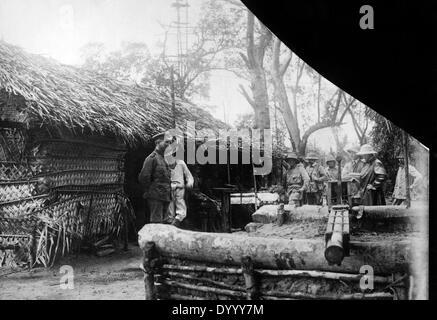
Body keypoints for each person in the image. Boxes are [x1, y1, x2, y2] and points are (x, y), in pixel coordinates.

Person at [138, 132, 172, 224]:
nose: (169, 145)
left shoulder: (164, 158)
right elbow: (144, 177)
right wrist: (148, 191)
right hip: (155, 196)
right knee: (156, 222)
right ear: (158, 143)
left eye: (170, 143)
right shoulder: (151, 158)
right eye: (166, 142)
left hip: (166, 195)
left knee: (166, 222)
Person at [167, 154, 194, 227]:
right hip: (168, 188)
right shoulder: (164, 163)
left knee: (180, 205)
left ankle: (177, 221)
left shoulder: (181, 163)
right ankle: (170, 223)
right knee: (169, 208)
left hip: (180, 187)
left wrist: (189, 183)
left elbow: (189, 176)